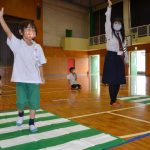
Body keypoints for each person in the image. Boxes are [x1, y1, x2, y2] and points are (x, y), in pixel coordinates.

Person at [0, 8, 46, 132]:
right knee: (20, 102)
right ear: (21, 32)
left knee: (33, 103)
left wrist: (42, 76)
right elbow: (8, 31)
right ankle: (20, 114)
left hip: (34, 80)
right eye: (27, 28)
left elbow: (40, 64)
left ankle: (31, 123)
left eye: (32, 28)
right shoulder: (17, 44)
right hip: (20, 80)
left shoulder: (38, 47)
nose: (30, 30)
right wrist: (1, 19)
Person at [102, 0, 128, 107]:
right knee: (112, 81)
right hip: (111, 57)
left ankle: (115, 99)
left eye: (119, 23)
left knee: (118, 81)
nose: (117, 25)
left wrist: (126, 60)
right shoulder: (109, 33)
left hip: (119, 58)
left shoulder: (122, 36)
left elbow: (124, 48)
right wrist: (109, 7)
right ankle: (112, 101)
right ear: (113, 25)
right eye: (115, 23)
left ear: (121, 26)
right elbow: (107, 20)